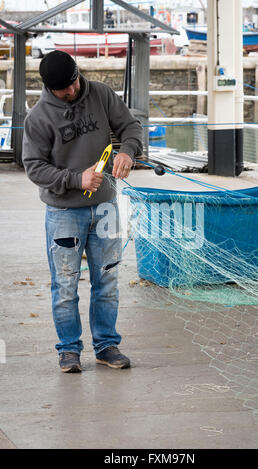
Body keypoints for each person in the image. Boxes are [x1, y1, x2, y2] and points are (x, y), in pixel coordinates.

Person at [22, 50, 143, 373]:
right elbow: (34, 168)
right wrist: (77, 179)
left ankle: (106, 346)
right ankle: (69, 350)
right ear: (49, 87)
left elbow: (131, 127)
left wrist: (128, 152)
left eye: (74, 81)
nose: (73, 90)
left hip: (106, 207)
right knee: (65, 285)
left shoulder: (101, 94)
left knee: (108, 280)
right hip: (64, 213)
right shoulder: (38, 117)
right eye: (64, 88)